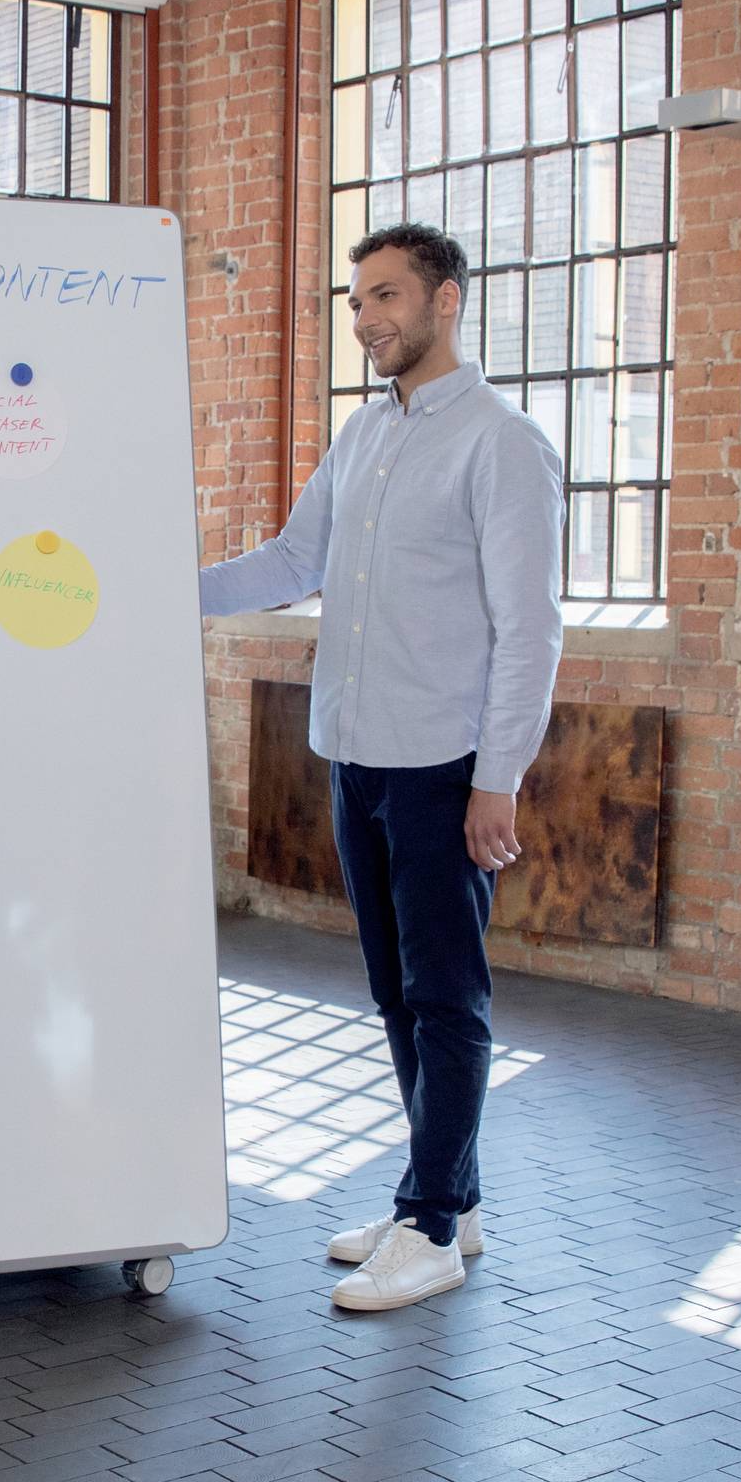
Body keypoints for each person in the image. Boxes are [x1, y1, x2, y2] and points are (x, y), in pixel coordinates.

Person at [199, 224, 564, 1314]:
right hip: (354, 752)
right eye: (357, 301)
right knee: (392, 992)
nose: (367, 320)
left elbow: (531, 629)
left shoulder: (501, 444)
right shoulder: (362, 435)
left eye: (388, 297)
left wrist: (499, 777)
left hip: (445, 764)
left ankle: (431, 1225)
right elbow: (291, 560)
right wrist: (155, 585)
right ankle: (451, 1194)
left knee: (446, 996)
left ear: (446, 301)